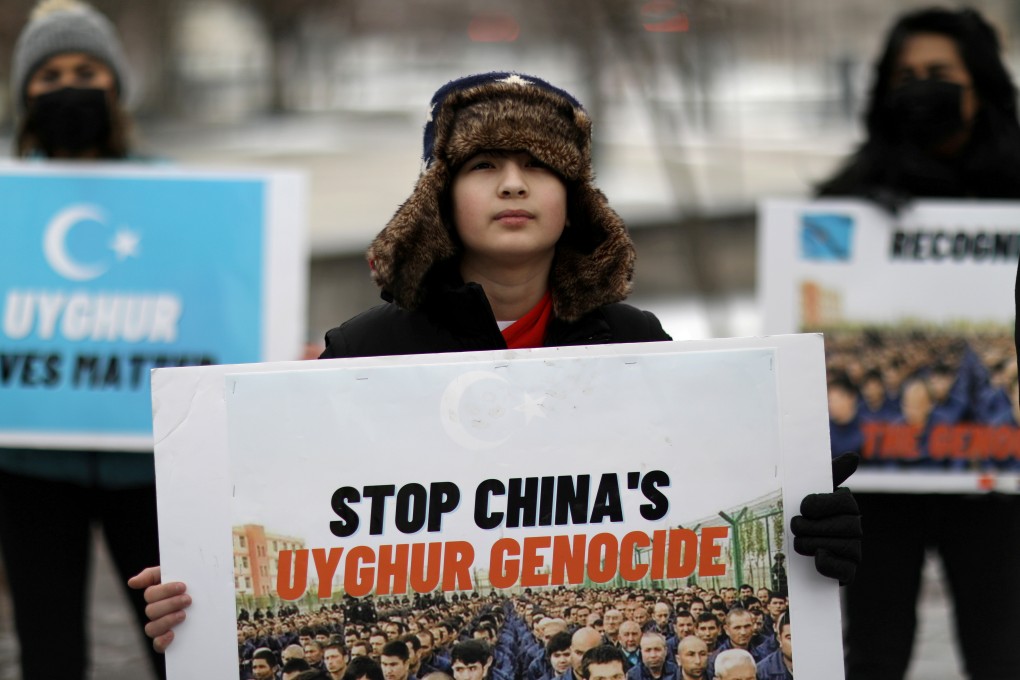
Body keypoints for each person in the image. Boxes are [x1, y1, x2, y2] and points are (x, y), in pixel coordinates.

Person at [129, 71, 860, 652]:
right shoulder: (362, 350)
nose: (513, 183)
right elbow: (293, 516)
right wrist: (204, 591)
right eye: (484, 164)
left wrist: (813, 534)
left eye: (538, 166)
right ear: (441, 200)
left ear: (574, 202)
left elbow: (705, 499)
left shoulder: (635, 341)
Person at [817, 8, 1020, 679]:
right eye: (906, 75)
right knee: (874, 653)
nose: (921, 88)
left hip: (1001, 485)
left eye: (939, 74)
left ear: (980, 83)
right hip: (882, 484)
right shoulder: (847, 196)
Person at [0, 2, 165, 680]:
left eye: (87, 69)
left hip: (150, 463)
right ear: (22, 92)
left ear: (116, 85)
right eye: (50, 73)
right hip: (29, 463)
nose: (69, 84)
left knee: (175, 640)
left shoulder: (177, 194)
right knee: (48, 646)